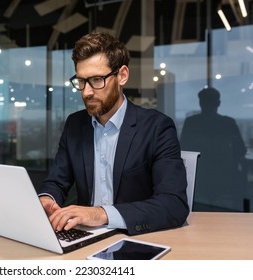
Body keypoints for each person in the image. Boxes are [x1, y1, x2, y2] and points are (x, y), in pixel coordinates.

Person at [38, 31, 189, 236]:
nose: (86, 92)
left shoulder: (157, 127)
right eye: (81, 81)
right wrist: (47, 199)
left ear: (122, 76)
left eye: (97, 80)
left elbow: (173, 204)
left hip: (135, 238)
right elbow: (57, 181)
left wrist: (101, 214)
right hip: (83, 235)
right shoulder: (75, 125)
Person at [180, 87, 247, 210]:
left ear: (200, 103)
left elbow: (183, 149)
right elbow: (241, 150)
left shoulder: (191, 122)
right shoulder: (228, 122)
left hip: (199, 178)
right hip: (224, 178)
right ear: (218, 103)